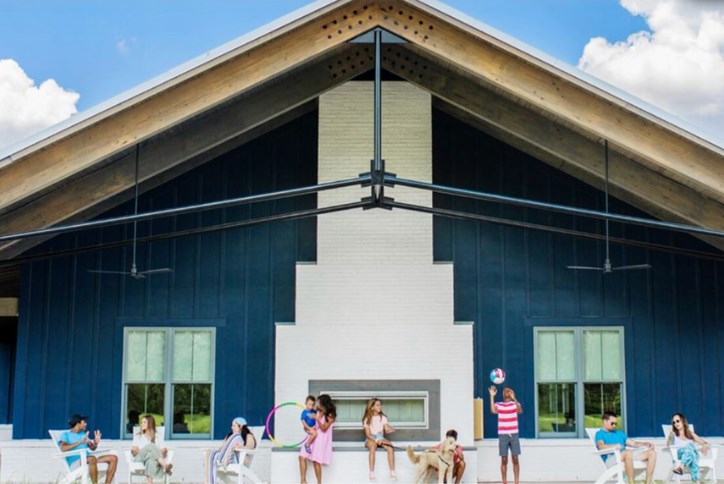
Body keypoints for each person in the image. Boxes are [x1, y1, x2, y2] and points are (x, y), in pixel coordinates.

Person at [595, 411, 657, 484]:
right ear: (605, 421)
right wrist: (614, 446)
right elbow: (601, 446)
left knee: (652, 453)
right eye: (612, 423)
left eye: (615, 423)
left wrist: (645, 444)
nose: (614, 425)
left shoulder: (619, 433)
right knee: (628, 452)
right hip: (611, 458)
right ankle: (631, 482)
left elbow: (633, 443)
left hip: (627, 456)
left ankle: (648, 482)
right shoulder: (600, 434)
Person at [58, 414, 118, 484]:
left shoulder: (82, 434)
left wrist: (95, 443)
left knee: (113, 458)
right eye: (84, 423)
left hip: (89, 460)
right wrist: (80, 442)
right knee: (92, 459)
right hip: (76, 462)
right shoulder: (66, 434)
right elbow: (63, 448)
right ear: (78, 423)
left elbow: (92, 448)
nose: (86, 424)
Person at [204, 417, 256, 484]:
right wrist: (231, 446)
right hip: (226, 458)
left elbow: (249, 447)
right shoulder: (230, 436)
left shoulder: (248, 436)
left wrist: (239, 447)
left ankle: (222, 459)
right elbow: (222, 448)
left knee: (236, 436)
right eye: (232, 425)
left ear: (241, 426)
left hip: (240, 460)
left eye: (234, 425)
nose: (232, 427)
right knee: (211, 453)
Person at [299, 394, 336, 484]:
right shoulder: (317, 411)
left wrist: (317, 419)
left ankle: (319, 482)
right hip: (312, 436)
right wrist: (307, 428)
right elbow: (310, 422)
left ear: (324, 403)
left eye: (319, 402)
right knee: (301, 457)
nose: (317, 404)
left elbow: (324, 428)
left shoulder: (331, 415)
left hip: (321, 439)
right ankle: (303, 481)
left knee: (316, 461)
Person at [489, 386, 522, 484]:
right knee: (504, 459)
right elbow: (493, 411)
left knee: (515, 458)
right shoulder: (499, 404)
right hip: (503, 435)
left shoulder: (514, 404)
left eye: (509, 390)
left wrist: (514, 398)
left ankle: (516, 481)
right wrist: (491, 396)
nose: (507, 391)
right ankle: (504, 481)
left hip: (514, 434)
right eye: (505, 390)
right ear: (503, 394)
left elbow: (519, 410)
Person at [667, 412, 709, 482]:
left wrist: (705, 445)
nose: (676, 424)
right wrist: (670, 436)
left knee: (692, 452)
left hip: (690, 455)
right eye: (674, 422)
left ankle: (681, 468)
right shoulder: (673, 435)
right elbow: (669, 445)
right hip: (679, 455)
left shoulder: (690, 434)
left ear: (683, 421)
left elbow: (704, 442)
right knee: (691, 449)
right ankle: (696, 481)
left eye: (678, 421)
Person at [362, 398, 397, 481]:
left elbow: (386, 429)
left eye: (380, 405)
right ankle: (372, 472)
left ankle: (392, 472)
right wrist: (377, 440)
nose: (380, 406)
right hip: (370, 438)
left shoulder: (383, 417)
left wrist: (390, 429)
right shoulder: (367, 419)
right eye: (377, 405)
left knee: (390, 447)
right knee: (373, 447)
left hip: (380, 437)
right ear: (372, 407)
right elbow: (368, 434)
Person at [130, 415, 173, 482]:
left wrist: (162, 451)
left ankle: (149, 482)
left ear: (150, 424)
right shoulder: (138, 436)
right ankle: (165, 465)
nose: (142, 424)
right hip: (139, 458)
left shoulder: (157, 436)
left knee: (150, 459)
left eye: (144, 422)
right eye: (141, 422)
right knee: (151, 445)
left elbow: (164, 451)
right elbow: (134, 452)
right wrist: (136, 450)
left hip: (152, 460)